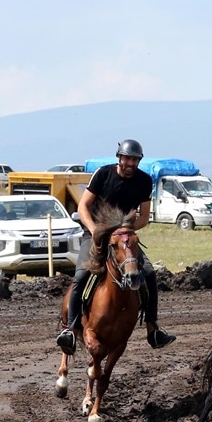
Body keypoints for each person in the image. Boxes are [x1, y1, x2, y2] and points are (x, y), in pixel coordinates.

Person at [55, 139, 175, 355]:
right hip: (96, 235)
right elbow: (83, 206)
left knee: (148, 272)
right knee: (81, 275)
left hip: (124, 238)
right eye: (127, 158)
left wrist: (125, 231)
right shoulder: (103, 174)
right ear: (119, 157)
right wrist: (94, 230)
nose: (130, 163)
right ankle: (71, 330)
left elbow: (145, 217)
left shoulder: (144, 181)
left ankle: (153, 329)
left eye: (135, 160)